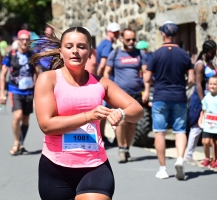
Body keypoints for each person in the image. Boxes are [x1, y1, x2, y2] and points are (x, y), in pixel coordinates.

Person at [31, 27, 143, 200]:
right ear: (61, 52)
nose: (75, 51)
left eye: (81, 47)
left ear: (90, 53)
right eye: (69, 46)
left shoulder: (100, 83)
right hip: (55, 168)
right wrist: (88, 116)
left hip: (94, 166)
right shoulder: (48, 79)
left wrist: (120, 113)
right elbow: (47, 125)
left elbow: (136, 110)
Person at [143, 21, 195, 180]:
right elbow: (191, 79)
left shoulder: (156, 54)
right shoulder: (184, 54)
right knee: (180, 131)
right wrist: (181, 85)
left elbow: (146, 77)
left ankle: (163, 169)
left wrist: (155, 83)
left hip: (160, 97)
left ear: (163, 34)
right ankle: (180, 159)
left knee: (160, 132)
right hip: (179, 96)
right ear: (176, 35)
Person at [104, 28, 147, 163]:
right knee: (121, 122)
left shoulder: (139, 53)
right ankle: (121, 148)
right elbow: (107, 72)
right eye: (128, 39)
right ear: (122, 39)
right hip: (120, 95)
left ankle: (127, 148)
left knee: (132, 124)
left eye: (133, 39)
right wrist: (107, 90)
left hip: (135, 94)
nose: (131, 42)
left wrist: (146, 90)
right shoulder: (115, 53)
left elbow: (145, 73)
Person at [0, 30, 39, 155]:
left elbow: (38, 74)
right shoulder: (11, 55)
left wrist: (38, 92)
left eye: (27, 39)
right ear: (17, 40)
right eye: (22, 39)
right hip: (15, 90)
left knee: (26, 119)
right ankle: (16, 142)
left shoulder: (33, 56)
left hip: (29, 91)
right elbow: (3, 75)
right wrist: (2, 93)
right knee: (17, 116)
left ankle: (21, 143)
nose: (25, 42)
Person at [186, 40, 217, 166]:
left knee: (212, 126)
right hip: (201, 99)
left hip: (212, 99)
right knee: (197, 126)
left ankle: (212, 157)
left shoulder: (212, 64)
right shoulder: (200, 64)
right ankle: (188, 155)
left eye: (215, 51)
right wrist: (203, 102)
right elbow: (198, 84)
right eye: (212, 52)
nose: (214, 54)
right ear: (206, 51)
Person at [96, 22, 120, 146]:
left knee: (104, 112)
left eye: (118, 32)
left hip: (103, 82)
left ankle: (102, 136)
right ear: (108, 31)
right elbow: (102, 64)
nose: (116, 34)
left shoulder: (102, 43)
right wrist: (100, 80)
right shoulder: (107, 45)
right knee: (106, 111)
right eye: (114, 32)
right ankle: (102, 137)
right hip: (106, 82)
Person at [198, 76, 217, 170]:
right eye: (210, 84)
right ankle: (207, 158)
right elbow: (203, 110)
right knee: (205, 141)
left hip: (216, 124)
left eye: (215, 84)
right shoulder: (206, 97)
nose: (212, 86)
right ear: (207, 85)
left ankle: (215, 159)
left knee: (215, 142)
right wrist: (200, 119)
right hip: (207, 123)